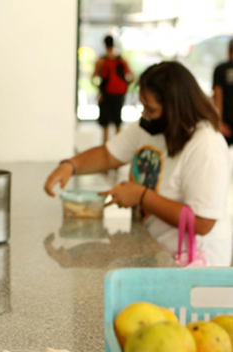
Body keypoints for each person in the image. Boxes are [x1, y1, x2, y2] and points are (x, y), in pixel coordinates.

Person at [45, 61, 232, 267]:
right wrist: (71, 165)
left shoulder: (206, 146)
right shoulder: (152, 126)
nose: (145, 115)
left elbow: (202, 222)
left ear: (175, 108)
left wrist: (141, 196)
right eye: (144, 107)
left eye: (151, 109)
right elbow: (109, 155)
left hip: (194, 265)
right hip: (157, 253)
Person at [91, 35, 133, 144]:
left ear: (104, 44)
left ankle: (105, 147)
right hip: (118, 95)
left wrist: (99, 89)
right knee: (117, 123)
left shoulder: (101, 61)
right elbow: (131, 77)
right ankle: (117, 148)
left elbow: (93, 78)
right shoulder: (121, 60)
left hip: (106, 95)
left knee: (105, 125)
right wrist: (124, 87)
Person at [213, 38, 233, 145]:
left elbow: (218, 97)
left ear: (229, 51)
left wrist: (218, 123)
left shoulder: (220, 69)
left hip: (226, 124)